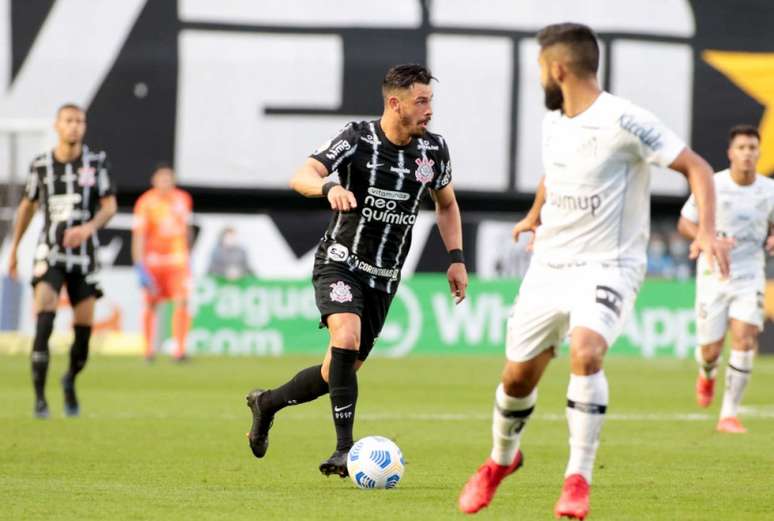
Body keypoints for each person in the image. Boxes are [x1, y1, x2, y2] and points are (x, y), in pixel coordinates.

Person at [457, 23, 730, 520]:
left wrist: (707, 231)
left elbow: (698, 168)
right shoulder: (555, 120)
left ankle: (577, 477)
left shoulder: (625, 120)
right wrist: (537, 211)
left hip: (609, 265)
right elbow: (555, 171)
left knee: (586, 352)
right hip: (550, 264)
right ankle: (501, 461)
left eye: (541, 66)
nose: (539, 74)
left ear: (557, 68)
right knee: (517, 378)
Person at [244, 64, 468, 477]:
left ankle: (267, 403)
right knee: (345, 336)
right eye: (421, 102)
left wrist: (455, 258)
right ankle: (345, 449)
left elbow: (447, 204)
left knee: (336, 372)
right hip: (341, 263)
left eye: (430, 101)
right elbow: (302, 174)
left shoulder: (434, 151)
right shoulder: (357, 138)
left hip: (384, 278)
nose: (429, 110)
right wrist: (329, 187)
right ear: (394, 103)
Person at [7, 103, 117, 418]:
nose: (74, 126)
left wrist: (88, 227)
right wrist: (14, 250)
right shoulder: (40, 165)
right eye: (68, 121)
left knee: (83, 333)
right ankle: (40, 399)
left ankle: (69, 378)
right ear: (57, 125)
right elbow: (27, 208)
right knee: (45, 315)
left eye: (79, 121)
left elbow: (109, 206)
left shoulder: (96, 163)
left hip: (84, 255)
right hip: (49, 252)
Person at [678, 125, 774, 433]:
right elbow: (685, 223)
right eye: (742, 148)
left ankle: (729, 414)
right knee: (711, 350)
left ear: (759, 153)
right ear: (731, 153)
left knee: (745, 338)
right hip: (713, 274)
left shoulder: (769, 191)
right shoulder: (713, 185)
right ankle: (707, 373)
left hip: (750, 273)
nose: (748, 153)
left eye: (752, 148)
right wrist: (705, 239)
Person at [131, 163, 193, 362]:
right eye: (162, 179)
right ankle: (149, 350)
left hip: (177, 261)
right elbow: (139, 236)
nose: (165, 183)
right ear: (154, 181)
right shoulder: (145, 202)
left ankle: (180, 350)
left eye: (169, 179)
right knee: (151, 304)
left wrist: (188, 255)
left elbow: (187, 229)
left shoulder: (183, 199)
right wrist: (139, 265)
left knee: (182, 302)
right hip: (154, 262)